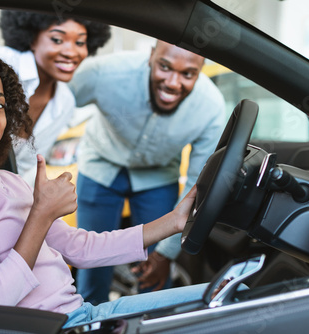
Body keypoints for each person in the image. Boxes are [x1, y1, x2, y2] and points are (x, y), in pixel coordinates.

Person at [0, 46, 208, 328]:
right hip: (53, 325)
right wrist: (42, 213)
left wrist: (175, 222)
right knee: (219, 306)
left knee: (217, 296)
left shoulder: (7, 180)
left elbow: (80, 248)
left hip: (81, 314)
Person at [68, 41, 226, 304]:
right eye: (165, 67)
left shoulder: (211, 107)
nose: (173, 83)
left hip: (158, 176)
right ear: (151, 56)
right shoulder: (106, 73)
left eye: (187, 74)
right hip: (100, 165)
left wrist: (167, 254)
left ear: (200, 71)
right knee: (92, 265)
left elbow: (197, 184)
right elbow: (55, 100)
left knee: (155, 274)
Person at [0, 10, 111, 187]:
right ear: (32, 39)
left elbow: (23, 167)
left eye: (80, 42)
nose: (71, 52)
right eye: (57, 40)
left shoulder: (65, 102)